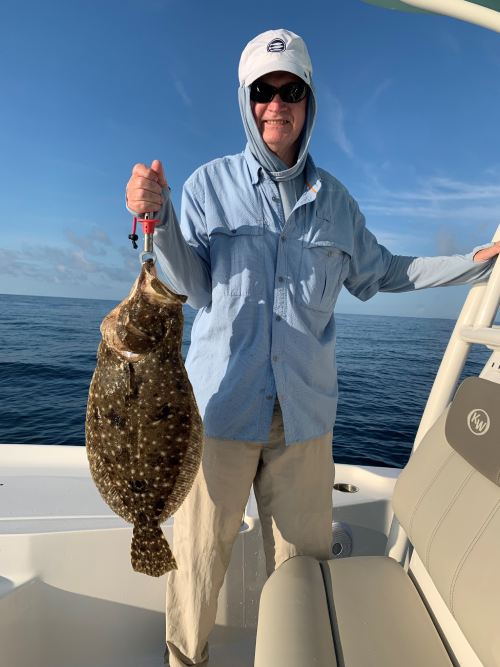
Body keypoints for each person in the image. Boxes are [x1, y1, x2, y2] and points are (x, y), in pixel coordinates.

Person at [125, 28, 499, 667]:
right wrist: (152, 223)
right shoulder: (208, 187)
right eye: (263, 92)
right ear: (246, 102)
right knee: (194, 566)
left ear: (309, 101)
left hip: (304, 422)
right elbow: (188, 282)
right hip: (217, 417)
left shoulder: (339, 206)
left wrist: (476, 263)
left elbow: (385, 272)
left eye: (290, 90)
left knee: (301, 570)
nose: (277, 105)